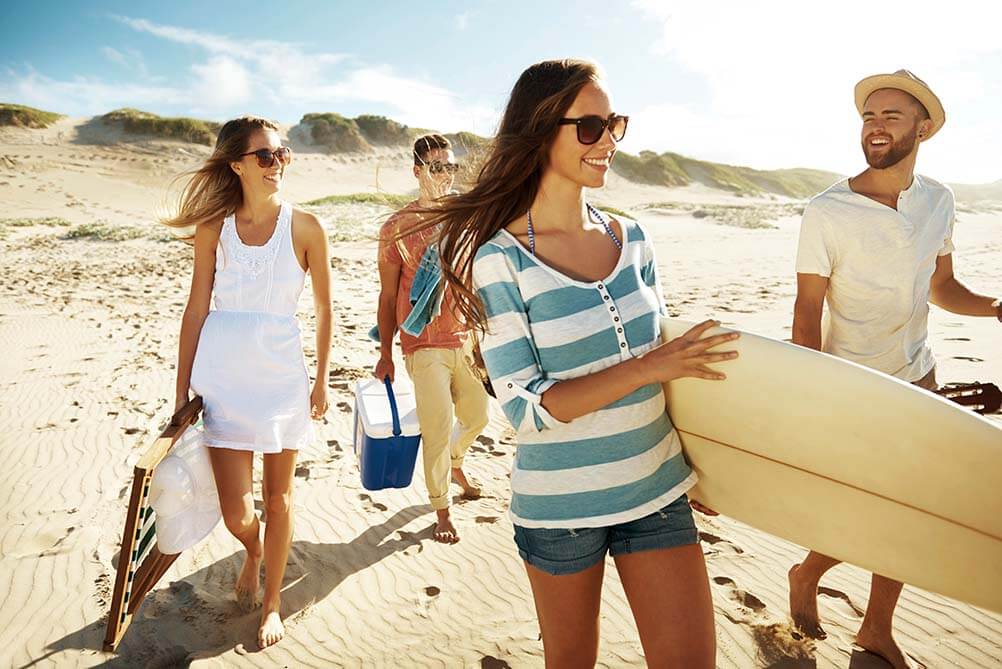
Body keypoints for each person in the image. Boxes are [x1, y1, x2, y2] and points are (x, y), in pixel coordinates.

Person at [417, 59, 740, 667]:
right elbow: (527, 408)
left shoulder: (633, 237)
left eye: (615, 124)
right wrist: (651, 368)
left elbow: (673, 373)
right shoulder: (501, 259)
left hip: (658, 491)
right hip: (562, 511)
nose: (609, 142)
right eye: (590, 127)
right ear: (541, 131)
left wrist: (711, 469)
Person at [790, 70, 1002, 669]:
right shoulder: (827, 210)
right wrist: (806, 397)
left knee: (910, 511)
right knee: (866, 511)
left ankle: (876, 629)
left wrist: (993, 307)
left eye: (891, 116)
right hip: (850, 385)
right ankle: (806, 573)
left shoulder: (938, 199)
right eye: (869, 116)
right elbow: (807, 312)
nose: (876, 127)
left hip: (919, 377)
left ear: (924, 129)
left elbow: (943, 287)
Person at [166, 116, 333, 648]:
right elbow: (195, 309)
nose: (277, 163)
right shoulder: (212, 229)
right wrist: (181, 389)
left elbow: (327, 310)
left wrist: (322, 381)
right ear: (237, 164)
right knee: (238, 513)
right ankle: (254, 550)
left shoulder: (306, 227)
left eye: (283, 154)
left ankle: (272, 602)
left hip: (280, 380)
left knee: (280, 501)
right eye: (265, 156)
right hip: (222, 381)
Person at [375, 134, 490, 544]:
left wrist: (479, 337)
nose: (446, 174)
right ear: (418, 171)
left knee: (478, 417)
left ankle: (455, 463)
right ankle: (441, 509)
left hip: (462, 338)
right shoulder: (397, 227)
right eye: (438, 166)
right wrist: (385, 353)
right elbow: (388, 295)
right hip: (422, 344)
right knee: (437, 429)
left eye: (451, 167)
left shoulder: (463, 217)